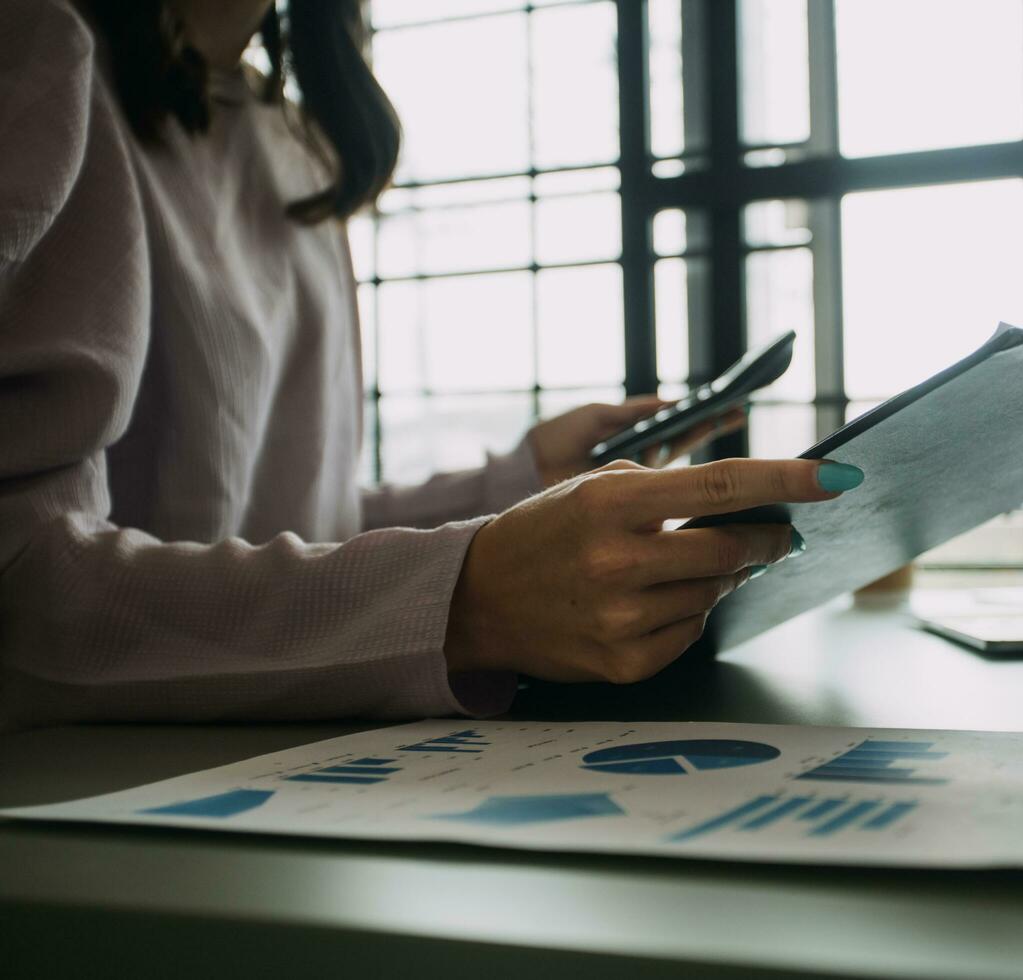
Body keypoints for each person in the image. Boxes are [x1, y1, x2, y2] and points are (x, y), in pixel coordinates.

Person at [0, 0, 865, 732]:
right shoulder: (36, 54)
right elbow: (24, 596)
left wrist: (516, 485)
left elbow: (282, 528)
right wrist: (463, 602)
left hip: (286, 771)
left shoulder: (292, 138)